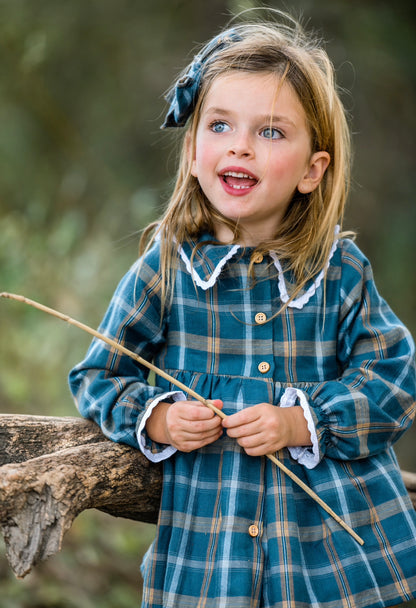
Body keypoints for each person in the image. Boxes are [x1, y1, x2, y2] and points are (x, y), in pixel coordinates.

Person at [69, 12, 416, 608]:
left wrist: (302, 423)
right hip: (211, 557)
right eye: (220, 125)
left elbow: (395, 375)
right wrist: (158, 419)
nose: (240, 145)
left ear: (313, 170)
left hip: (327, 563)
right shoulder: (168, 269)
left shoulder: (338, 271)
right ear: (195, 150)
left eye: (272, 132)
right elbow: (99, 375)